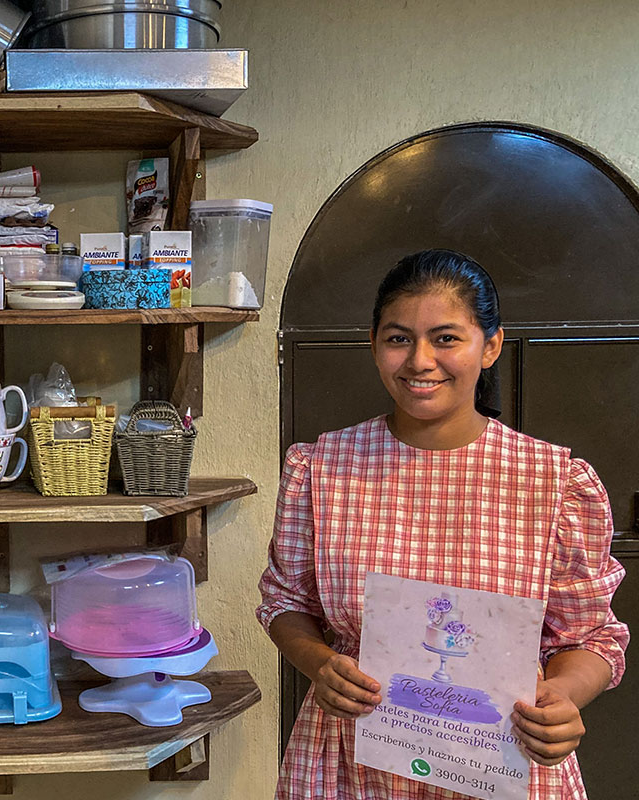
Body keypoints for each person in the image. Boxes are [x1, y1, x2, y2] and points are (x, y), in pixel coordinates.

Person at [256, 249, 629, 798]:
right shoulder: (322, 468)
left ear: (491, 346)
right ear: (374, 344)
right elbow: (287, 602)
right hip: (352, 756)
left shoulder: (553, 482)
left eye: (446, 338)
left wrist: (565, 698)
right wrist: (321, 664)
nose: (420, 361)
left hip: (504, 755)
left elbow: (590, 635)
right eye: (398, 338)